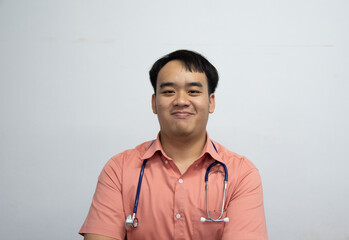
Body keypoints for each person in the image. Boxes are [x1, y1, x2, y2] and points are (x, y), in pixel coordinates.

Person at [79, 50, 268, 240]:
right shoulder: (119, 170)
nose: (181, 101)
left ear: (211, 102)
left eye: (193, 91)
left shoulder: (241, 174)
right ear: (154, 103)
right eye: (169, 92)